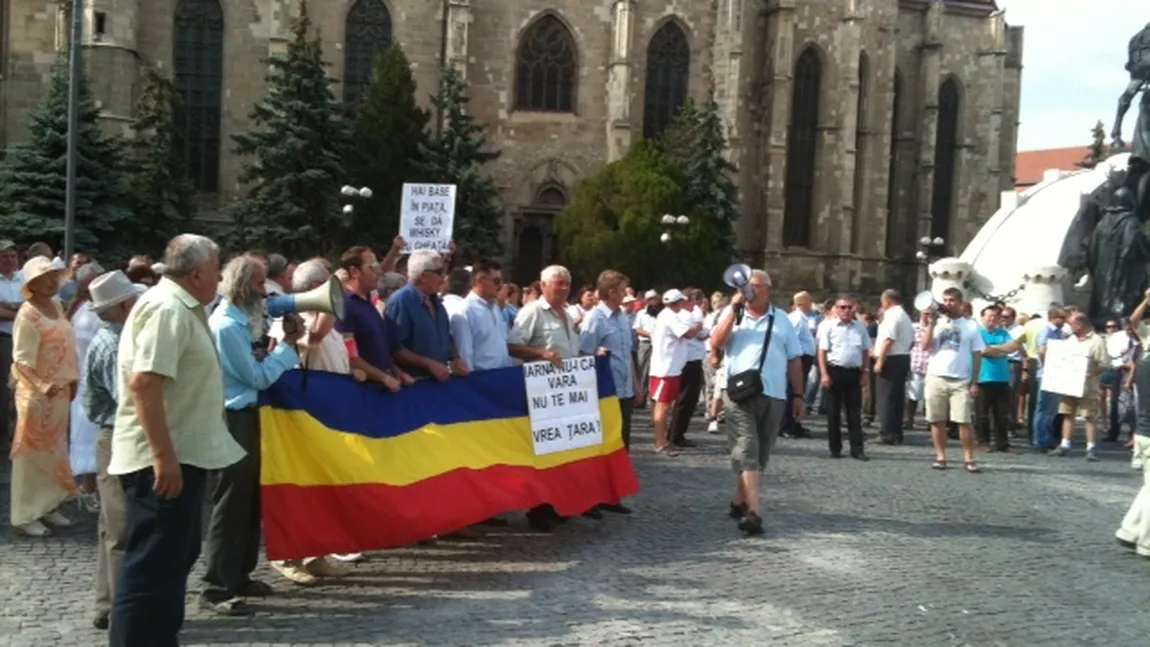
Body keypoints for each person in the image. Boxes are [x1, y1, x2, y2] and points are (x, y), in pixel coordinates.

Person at [107, 234, 245, 647]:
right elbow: (145, 384)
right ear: (199, 272)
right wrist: (163, 457)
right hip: (165, 461)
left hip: (181, 455)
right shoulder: (168, 308)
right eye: (217, 267)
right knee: (152, 567)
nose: (221, 276)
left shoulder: (182, 306)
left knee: (171, 562)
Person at [201, 254, 304, 614]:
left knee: (248, 500)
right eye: (260, 284)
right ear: (244, 286)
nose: (265, 292)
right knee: (231, 501)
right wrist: (289, 348)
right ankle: (216, 585)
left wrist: (277, 347)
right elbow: (256, 378)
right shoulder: (227, 326)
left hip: (248, 415)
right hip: (234, 417)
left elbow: (257, 366)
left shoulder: (242, 323)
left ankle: (239, 575)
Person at [710, 269, 804, 535]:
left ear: (767, 290)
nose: (749, 292)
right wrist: (733, 309)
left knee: (761, 451)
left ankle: (739, 500)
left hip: (774, 393)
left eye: (754, 287)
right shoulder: (733, 316)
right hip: (738, 393)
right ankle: (754, 512)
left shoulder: (783, 320)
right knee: (747, 446)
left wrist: (798, 395)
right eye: (746, 288)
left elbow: (794, 359)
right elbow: (716, 343)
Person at [81, 270, 146, 630]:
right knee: (120, 526)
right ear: (124, 305)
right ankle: (123, 608)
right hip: (118, 436)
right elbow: (130, 403)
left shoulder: (116, 338)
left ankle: (109, 604)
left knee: (112, 526)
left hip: (113, 435)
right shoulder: (115, 345)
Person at [8, 256, 78, 537]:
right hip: (35, 393)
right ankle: (24, 514)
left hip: (59, 391)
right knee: (30, 452)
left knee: (55, 450)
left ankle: (49, 505)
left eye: (53, 276)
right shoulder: (27, 314)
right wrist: (42, 385)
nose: (51, 281)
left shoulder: (58, 306)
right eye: (44, 277)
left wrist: (69, 381)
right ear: (31, 284)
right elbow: (21, 361)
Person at [579, 269, 637, 515]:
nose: (625, 295)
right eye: (622, 290)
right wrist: (597, 356)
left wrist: (636, 384)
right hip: (603, 392)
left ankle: (612, 495)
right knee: (598, 447)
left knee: (620, 445)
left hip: (623, 390)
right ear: (611, 292)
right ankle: (590, 498)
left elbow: (627, 354)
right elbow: (583, 354)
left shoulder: (622, 317)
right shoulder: (595, 319)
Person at [920, 287, 986, 473]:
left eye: (951, 300)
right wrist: (931, 325)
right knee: (936, 419)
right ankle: (941, 457)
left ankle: (969, 457)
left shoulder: (971, 326)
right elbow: (925, 347)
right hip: (936, 376)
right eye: (945, 300)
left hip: (960, 379)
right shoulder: (938, 323)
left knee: (963, 420)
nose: (947, 304)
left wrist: (975, 381)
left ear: (960, 303)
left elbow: (977, 354)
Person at [817, 295, 872, 460]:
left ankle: (857, 449)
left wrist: (866, 372)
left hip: (854, 372)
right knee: (833, 413)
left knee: (854, 413)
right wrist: (824, 374)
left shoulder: (860, 328)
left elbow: (865, 351)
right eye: (843, 307)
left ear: (854, 308)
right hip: (834, 371)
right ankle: (835, 448)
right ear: (837, 309)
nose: (846, 310)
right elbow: (822, 352)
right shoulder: (829, 327)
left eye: (849, 307)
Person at [873, 289, 914, 445]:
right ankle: (896, 432)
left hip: (892, 359)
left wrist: (880, 361)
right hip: (902, 357)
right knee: (896, 397)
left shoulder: (892, 315)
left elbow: (888, 340)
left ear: (887, 301)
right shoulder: (904, 316)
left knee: (886, 397)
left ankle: (887, 432)